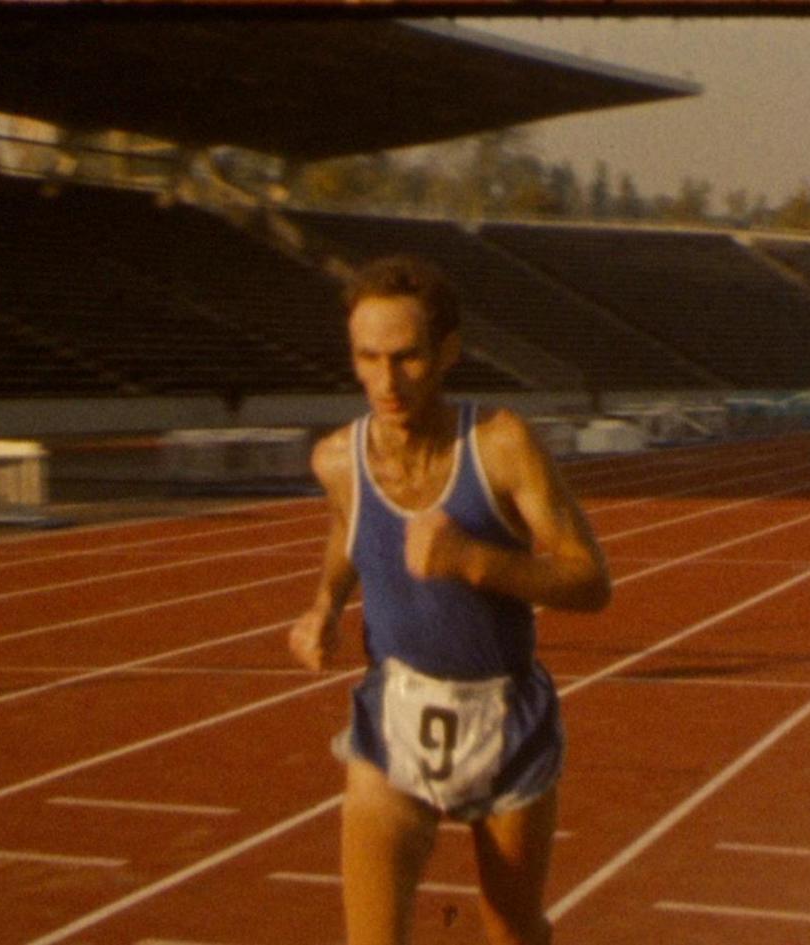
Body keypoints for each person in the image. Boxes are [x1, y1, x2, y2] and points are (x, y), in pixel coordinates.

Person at [288, 255, 612, 945]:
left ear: (448, 351)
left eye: (406, 358)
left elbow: (589, 580)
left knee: (512, 930)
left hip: (503, 722)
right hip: (395, 721)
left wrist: (476, 560)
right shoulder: (337, 459)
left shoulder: (499, 445)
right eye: (367, 358)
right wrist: (324, 603)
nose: (386, 381)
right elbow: (347, 527)